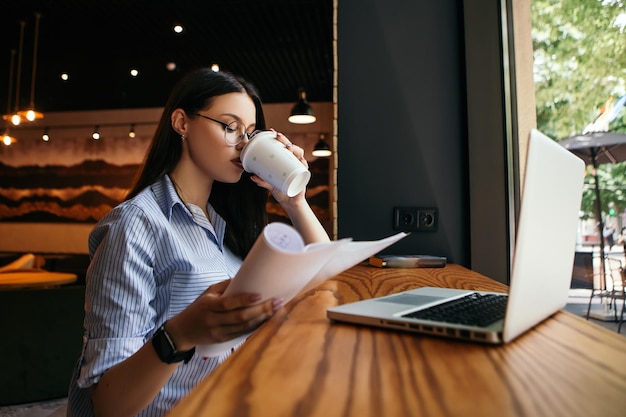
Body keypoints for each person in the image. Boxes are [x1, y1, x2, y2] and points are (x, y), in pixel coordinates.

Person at [67, 68, 330, 417]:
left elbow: (325, 276)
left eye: (250, 132)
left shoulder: (220, 224)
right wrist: (180, 334)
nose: (244, 143)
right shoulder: (135, 226)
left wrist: (293, 199)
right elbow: (109, 405)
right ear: (182, 123)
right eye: (229, 126)